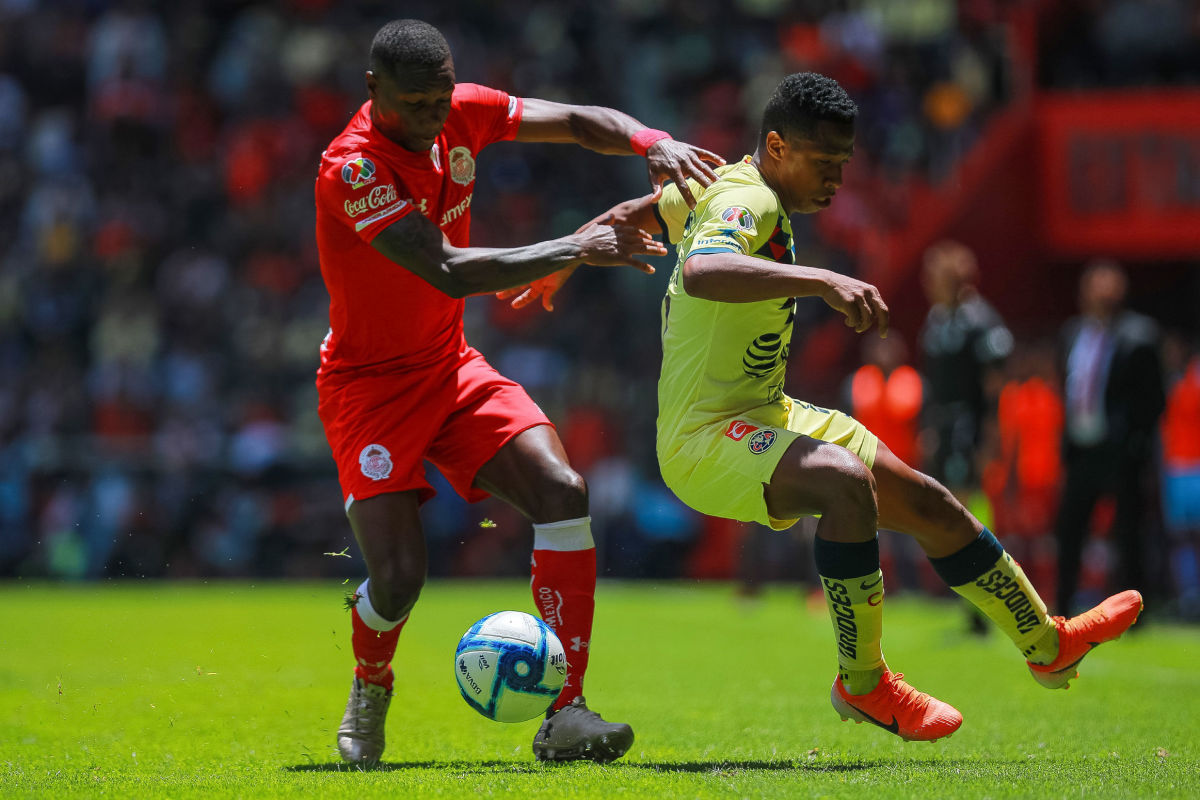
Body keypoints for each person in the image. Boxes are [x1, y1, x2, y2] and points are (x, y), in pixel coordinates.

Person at [575, 72, 1142, 743]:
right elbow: (701, 271)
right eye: (825, 161)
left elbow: (639, 214)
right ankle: (865, 683)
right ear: (778, 146)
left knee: (929, 503)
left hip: (767, 411)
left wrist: (566, 255)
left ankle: (1049, 644)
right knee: (844, 485)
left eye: (845, 163)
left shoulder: (727, 185)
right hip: (706, 439)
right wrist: (823, 279)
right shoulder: (748, 198)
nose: (838, 178)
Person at [313, 19, 724, 766]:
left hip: (449, 366)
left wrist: (649, 141)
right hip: (368, 390)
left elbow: (571, 120)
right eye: (417, 103)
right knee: (400, 580)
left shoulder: (459, 108)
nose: (436, 115)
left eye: (441, 97)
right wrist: (576, 246)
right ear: (374, 92)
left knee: (564, 491)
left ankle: (566, 713)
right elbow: (444, 268)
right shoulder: (353, 169)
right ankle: (370, 684)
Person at [1054, 260, 1165, 614]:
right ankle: (1062, 607)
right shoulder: (1073, 333)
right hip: (1081, 448)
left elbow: (1154, 398)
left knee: (1129, 532)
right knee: (1069, 530)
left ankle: (1136, 611)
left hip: (1120, 451)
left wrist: (1135, 443)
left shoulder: (1140, 335)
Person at [918, 240, 1012, 635]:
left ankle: (991, 590)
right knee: (950, 505)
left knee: (970, 506)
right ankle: (971, 595)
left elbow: (994, 385)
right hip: (943, 425)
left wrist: (990, 440)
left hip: (969, 427)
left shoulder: (981, 321)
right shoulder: (938, 319)